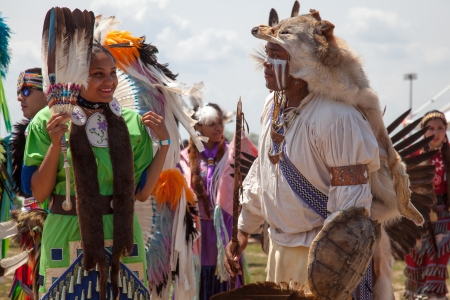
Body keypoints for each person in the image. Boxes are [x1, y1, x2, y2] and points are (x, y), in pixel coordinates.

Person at [223, 9, 422, 299]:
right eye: (267, 53)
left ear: (303, 64)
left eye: (277, 55)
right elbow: (263, 173)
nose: (266, 64)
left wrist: (332, 271)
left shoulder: (338, 119)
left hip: (324, 263)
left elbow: (351, 207)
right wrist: (244, 228)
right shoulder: (272, 106)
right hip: (279, 251)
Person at [22, 43, 169, 299]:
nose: (109, 81)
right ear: (77, 77)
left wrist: (164, 145)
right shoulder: (49, 120)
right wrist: (56, 144)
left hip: (123, 235)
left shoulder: (132, 122)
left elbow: (143, 193)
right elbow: (39, 191)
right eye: (98, 74)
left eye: (112, 72)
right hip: (67, 231)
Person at [178, 103, 245, 299]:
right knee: (198, 281)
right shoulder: (183, 159)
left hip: (226, 228)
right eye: (212, 124)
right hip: (197, 233)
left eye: (220, 123)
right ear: (198, 127)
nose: (219, 128)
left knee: (227, 280)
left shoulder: (234, 156)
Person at [404, 110, 450, 300]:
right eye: (430, 128)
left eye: (440, 128)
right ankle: (416, 293)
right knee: (418, 251)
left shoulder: (448, 155)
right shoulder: (413, 155)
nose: (435, 132)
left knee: (439, 253)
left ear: (446, 130)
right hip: (418, 212)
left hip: (443, 212)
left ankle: (434, 294)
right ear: (423, 131)